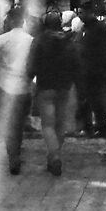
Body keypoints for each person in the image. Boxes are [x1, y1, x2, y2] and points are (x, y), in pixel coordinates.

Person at [27, 9, 80, 176]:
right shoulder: (69, 41)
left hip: (46, 87)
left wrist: (29, 79)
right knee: (60, 124)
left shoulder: (39, 41)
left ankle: (55, 156)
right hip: (64, 87)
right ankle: (53, 157)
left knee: (48, 125)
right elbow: (76, 64)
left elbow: (31, 65)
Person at [0, 5, 35, 173]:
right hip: (24, 88)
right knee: (19, 124)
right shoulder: (31, 40)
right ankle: (16, 153)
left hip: (4, 87)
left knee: (9, 124)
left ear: (12, 20)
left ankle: (13, 156)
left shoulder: (1, 40)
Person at [76, 4, 106, 135]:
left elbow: (105, 50)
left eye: (82, 12)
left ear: (89, 12)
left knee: (97, 101)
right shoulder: (84, 28)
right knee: (85, 101)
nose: (80, 15)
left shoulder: (99, 28)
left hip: (95, 71)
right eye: (79, 13)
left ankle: (102, 127)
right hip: (85, 71)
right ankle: (87, 127)